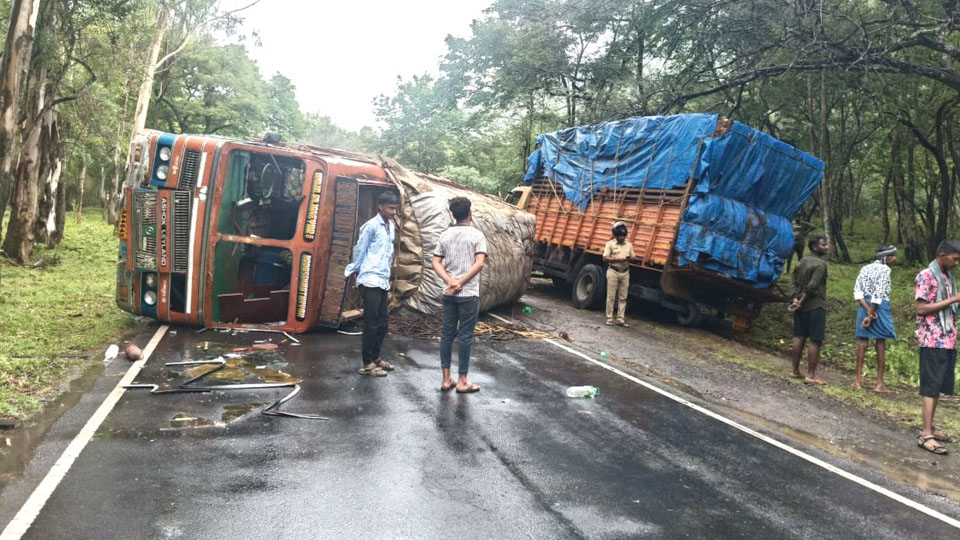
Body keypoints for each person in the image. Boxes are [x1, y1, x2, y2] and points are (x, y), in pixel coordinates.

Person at [432, 197, 487, 393]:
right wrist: (461, 283)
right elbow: (479, 263)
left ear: (453, 215)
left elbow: (436, 261)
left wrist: (450, 281)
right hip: (468, 294)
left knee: (447, 334)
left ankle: (447, 379)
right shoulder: (477, 236)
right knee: (465, 336)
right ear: (470, 213)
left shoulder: (445, 235)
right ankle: (463, 381)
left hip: (449, 293)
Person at [345, 190, 400, 377]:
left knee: (383, 322)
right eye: (391, 208)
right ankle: (367, 363)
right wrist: (354, 270)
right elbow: (360, 249)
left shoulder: (390, 227)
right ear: (380, 207)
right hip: (369, 278)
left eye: (395, 208)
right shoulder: (370, 226)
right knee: (371, 322)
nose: (393, 212)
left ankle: (376, 357)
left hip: (382, 279)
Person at [914, 239, 960, 455]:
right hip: (933, 339)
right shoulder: (926, 275)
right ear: (943, 255)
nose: (956, 263)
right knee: (930, 386)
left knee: (939, 385)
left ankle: (931, 426)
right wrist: (953, 300)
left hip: (947, 339)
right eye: (955, 259)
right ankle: (925, 434)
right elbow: (921, 308)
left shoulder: (948, 277)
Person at [853, 245, 898, 392]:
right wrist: (872, 313)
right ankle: (879, 383)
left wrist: (867, 311)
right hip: (879, 306)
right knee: (880, 341)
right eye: (892, 255)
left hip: (864, 305)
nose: (894, 258)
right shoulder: (885, 270)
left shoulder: (865, 268)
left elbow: (857, 292)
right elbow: (878, 293)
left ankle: (858, 381)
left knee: (863, 341)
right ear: (885, 257)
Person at [788, 235, 829, 384]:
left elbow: (793, 280)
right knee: (815, 340)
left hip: (799, 305)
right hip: (815, 305)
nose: (826, 247)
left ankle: (795, 370)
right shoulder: (821, 265)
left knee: (799, 336)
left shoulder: (802, 261)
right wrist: (803, 300)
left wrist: (795, 299)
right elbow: (813, 285)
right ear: (815, 247)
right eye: (823, 245)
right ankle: (811, 375)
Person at [603, 221, 634, 327]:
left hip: (625, 272)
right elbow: (605, 258)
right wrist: (618, 259)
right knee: (611, 296)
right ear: (616, 235)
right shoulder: (610, 244)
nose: (622, 238)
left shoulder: (629, 245)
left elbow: (633, 257)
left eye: (623, 236)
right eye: (620, 236)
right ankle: (609, 318)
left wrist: (631, 259)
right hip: (613, 271)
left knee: (623, 297)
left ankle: (620, 319)